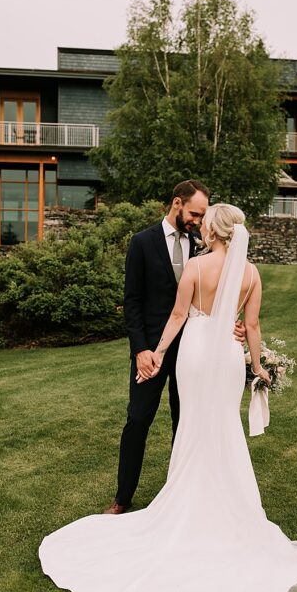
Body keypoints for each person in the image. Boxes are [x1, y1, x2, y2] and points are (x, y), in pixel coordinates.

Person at [40, 203, 297, 592]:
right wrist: (256, 366)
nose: (201, 225)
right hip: (227, 359)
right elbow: (251, 326)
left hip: (193, 355)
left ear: (214, 229)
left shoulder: (196, 266)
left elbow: (179, 315)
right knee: (222, 426)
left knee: (194, 427)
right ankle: (226, 509)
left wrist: (158, 352)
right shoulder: (250, 273)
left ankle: (189, 503)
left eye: (207, 222)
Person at [108, 180, 216, 514]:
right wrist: (141, 350)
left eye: (201, 216)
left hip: (191, 351)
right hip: (151, 353)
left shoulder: (202, 247)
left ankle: (180, 497)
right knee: (137, 419)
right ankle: (122, 498)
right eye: (195, 213)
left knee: (184, 423)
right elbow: (132, 301)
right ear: (176, 203)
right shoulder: (142, 243)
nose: (198, 221)